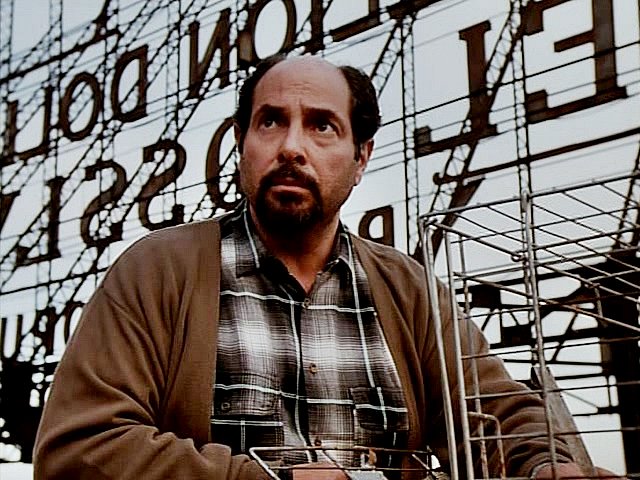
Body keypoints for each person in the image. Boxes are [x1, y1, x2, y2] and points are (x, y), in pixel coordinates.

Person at [33, 54, 608, 480]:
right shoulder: (158, 270)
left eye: (321, 126)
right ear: (241, 144)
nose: (291, 147)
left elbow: (496, 412)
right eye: (270, 121)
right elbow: (78, 451)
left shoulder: (407, 289)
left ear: (361, 158)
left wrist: (544, 465)